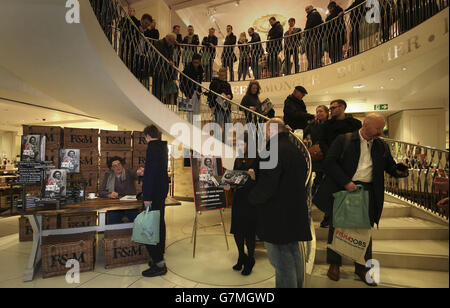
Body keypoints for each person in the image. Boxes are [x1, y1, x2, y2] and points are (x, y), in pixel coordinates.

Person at [313, 113, 409, 286]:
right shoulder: (344, 140)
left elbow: (390, 166)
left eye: (382, 128)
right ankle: (334, 264)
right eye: (377, 128)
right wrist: (346, 182)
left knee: (364, 231)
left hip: (369, 192)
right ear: (365, 125)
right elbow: (329, 163)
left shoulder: (381, 146)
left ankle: (362, 267)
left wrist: (399, 171)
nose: (381, 132)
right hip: (345, 189)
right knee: (337, 227)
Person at [249, 118, 312, 288]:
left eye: (266, 132)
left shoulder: (273, 150)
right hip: (294, 211)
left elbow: (268, 185)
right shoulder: (295, 149)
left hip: (277, 215)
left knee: (282, 264)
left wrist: (251, 198)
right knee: (293, 255)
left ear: (270, 131)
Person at [316, 99, 361, 228]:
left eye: (334, 107)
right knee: (332, 190)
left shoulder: (354, 123)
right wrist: (330, 154)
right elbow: (322, 142)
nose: (331, 110)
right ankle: (328, 216)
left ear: (342, 107)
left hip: (351, 162)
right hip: (332, 161)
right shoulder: (327, 125)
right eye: (330, 108)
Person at [223, 132, 259, 275]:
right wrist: (228, 185)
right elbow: (234, 179)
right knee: (237, 231)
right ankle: (241, 256)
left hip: (251, 201)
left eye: (241, 144)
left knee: (249, 233)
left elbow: (263, 181)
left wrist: (254, 176)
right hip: (239, 199)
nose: (239, 146)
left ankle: (250, 259)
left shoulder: (258, 159)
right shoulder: (238, 159)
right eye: (237, 144)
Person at [141, 125, 170, 278]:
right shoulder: (163, 147)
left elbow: (151, 175)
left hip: (152, 196)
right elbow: (160, 173)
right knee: (159, 226)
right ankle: (157, 258)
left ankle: (159, 264)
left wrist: (147, 197)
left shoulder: (152, 147)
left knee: (149, 229)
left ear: (147, 136)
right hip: (160, 195)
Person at [98, 156, 144, 224]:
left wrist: (139, 172)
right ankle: (114, 234)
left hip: (130, 206)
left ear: (122, 165)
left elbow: (135, 173)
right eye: (115, 166)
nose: (118, 167)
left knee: (138, 222)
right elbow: (100, 192)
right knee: (112, 222)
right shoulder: (108, 175)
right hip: (115, 206)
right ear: (111, 168)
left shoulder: (128, 172)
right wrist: (109, 194)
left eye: (119, 164)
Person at [304, 105, 329, 195]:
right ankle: (314, 191)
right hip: (316, 153)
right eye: (317, 111)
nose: (318, 113)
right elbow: (304, 133)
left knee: (325, 175)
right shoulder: (313, 125)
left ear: (327, 113)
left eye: (321, 111)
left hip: (328, 153)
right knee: (317, 174)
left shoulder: (330, 124)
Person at [180, 53, 204, 123]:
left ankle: (196, 126)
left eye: (197, 62)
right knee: (190, 112)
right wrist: (186, 94)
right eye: (194, 62)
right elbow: (183, 83)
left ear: (200, 62)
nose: (196, 64)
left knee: (197, 111)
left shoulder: (200, 68)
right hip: (190, 93)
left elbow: (199, 80)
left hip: (197, 92)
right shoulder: (187, 69)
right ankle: (190, 126)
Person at [208, 68, 233, 134]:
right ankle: (218, 141)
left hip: (226, 108)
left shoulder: (227, 84)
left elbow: (231, 95)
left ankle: (224, 141)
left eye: (224, 75)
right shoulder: (214, 83)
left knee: (227, 126)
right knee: (218, 126)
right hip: (218, 108)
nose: (222, 76)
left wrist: (229, 96)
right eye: (221, 74)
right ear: (218, 73)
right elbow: (210, 95)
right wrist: (212, 106)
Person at [152, 34, 175, 101]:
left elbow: (170, 56)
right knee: (157, 85)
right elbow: (160, 55)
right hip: (157, 66)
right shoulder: (159, 43)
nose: (172, 42)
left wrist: (170, 60)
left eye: (173, 41)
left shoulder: (171, 46)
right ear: (167, 38)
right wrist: (168, 60)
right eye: (171, 41)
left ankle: (161, 99)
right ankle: (156, 99)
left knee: (163, 85)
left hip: (165, 68)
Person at [304, 5, 324, 70]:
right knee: (313, 50)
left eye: (308, 9)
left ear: (312, 8)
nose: (307, 11)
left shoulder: (314, 14)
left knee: (314, 50)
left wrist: (306, 30)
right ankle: (314, 64)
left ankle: (314, 65)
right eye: (306, 10)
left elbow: (311, 24)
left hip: (314, 35)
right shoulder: (313, 14)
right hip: (314, 35)